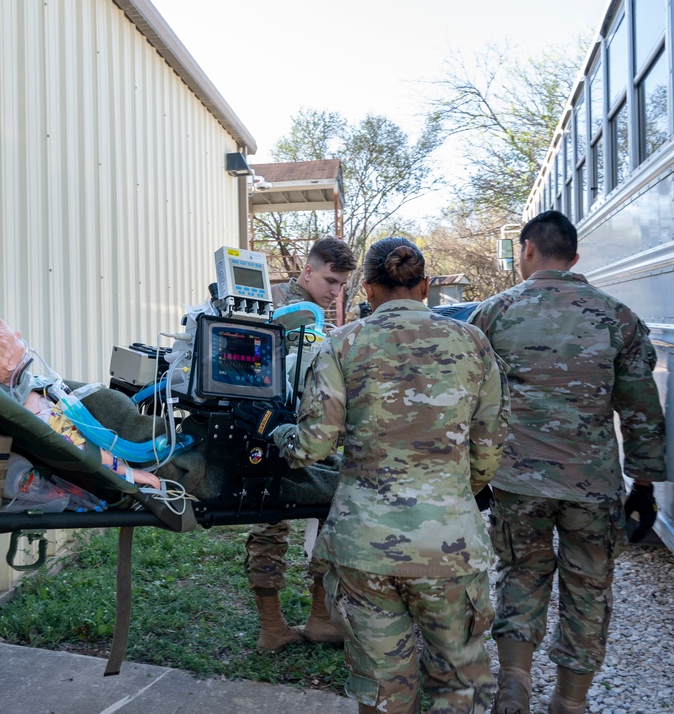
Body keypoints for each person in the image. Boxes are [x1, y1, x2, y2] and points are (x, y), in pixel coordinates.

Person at [238, 237, 508, 713]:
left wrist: (277, 431)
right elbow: (488, 454)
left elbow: (313, 446)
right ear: (425, 286)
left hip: (364, 549)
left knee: (382, 692)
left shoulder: (343, 343)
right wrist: (449, 497)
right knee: (457, 686)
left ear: (367, 289)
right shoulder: (474, 343)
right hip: (451, 549)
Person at [468, 210, 666, 714]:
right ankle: (569, 702)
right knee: (589, 588)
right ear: (575, 258)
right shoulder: (616, 317)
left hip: (516, 480)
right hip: (592, 484)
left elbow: (470, 399)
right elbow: (641, 406)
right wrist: (643, 485)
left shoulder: (493, 314)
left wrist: (475, 472)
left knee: (520, 573)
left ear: (526, 250)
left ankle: (514, 680)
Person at [248, 236, 355, 651]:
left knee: (330, 512)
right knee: (269, 524)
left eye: (341, 284)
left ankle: (320, 618)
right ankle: (272, 627)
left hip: (314, 435)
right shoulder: (267, 305)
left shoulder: (325, 326)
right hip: (267, 431)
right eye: (330, 280)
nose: (335, 291)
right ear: (308, 271)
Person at [0, 313, 161, 490]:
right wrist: (128, 472)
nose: (20, 335)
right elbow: (81, 448)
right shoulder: (32, 408)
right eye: (14, 337)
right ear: (7, 361)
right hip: (119, 449)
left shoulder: (16, 393)